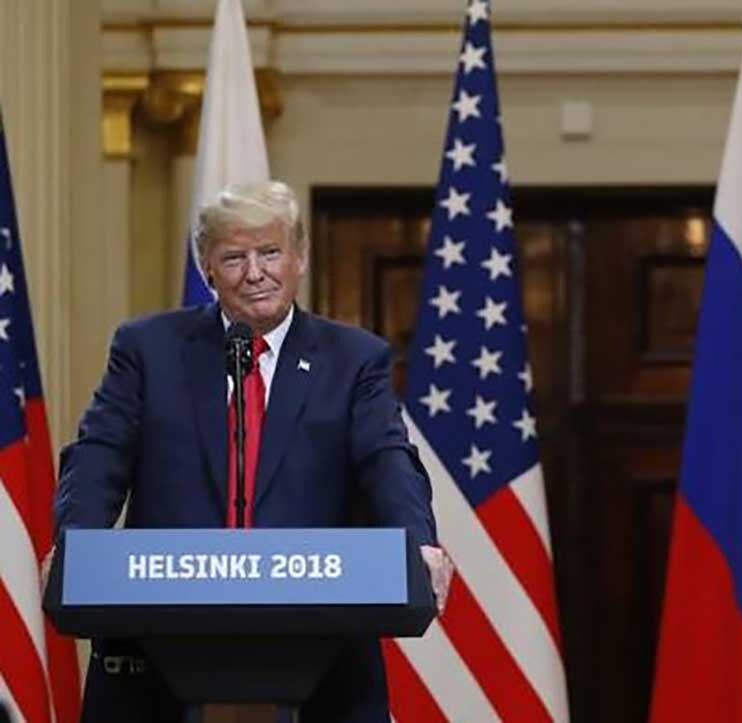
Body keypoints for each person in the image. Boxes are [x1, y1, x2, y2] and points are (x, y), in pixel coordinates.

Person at [53, 180, 452, 723]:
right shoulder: (149, 349)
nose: (255, 272)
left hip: (320, 649)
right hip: (160, 647)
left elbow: (387, 458)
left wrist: (419, 541)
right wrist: (76, 541)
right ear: (207, 268)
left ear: (300, 258)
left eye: (270, 252)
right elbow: (99, 453)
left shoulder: (354, 358)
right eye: (234, 257)